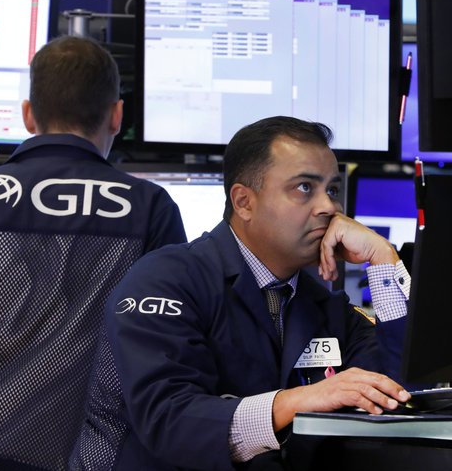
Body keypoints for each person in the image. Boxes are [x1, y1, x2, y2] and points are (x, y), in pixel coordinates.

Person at [0, 35, 187, 470]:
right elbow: (166, 351)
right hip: (68, 459)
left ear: (28, 115)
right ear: (116, 115)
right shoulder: (150, 210)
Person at [71, 116, 411, 470]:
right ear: (244, 202)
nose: (329, 207)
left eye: (333, 189)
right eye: (305, 188)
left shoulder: (325, 307)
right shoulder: (165, 280)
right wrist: (299, 400)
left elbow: (404, 398)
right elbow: (170, 421)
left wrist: (383, 260)